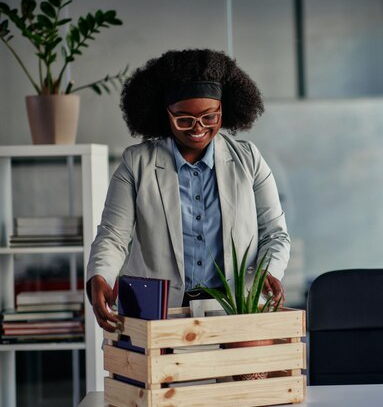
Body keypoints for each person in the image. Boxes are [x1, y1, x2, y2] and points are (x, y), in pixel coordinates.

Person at [86, 49, 290, 332]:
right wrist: (100, 275)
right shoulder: (137, 162)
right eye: (184, 119)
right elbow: (113, 236)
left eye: (209, 117)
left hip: (233, 310)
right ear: (164, 114)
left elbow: (275, 233)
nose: (198, 128)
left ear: (224, 110)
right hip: (159, 312)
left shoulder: (249, 159)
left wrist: (269, 270)